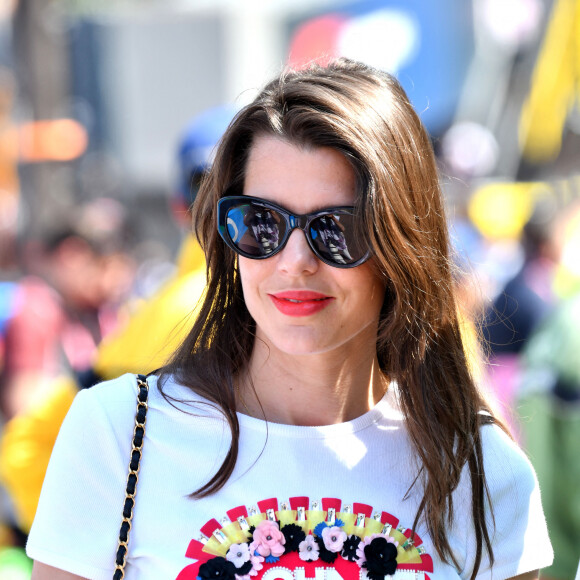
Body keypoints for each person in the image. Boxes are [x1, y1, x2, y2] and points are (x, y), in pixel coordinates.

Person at [27, 59, 552, 580]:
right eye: (260, 222)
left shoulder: (480, 471)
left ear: (402, 243)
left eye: (337, 229)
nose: (295, 260)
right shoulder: (120, 433)